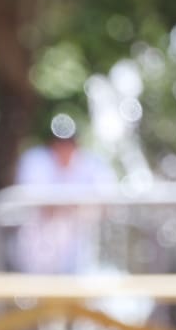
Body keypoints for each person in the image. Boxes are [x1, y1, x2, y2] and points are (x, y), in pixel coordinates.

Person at [9, 113, 116, 275]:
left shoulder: (91, 163)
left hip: (79, 249)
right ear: (51, 143)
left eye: (69, 142)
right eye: (60, 142)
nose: (64, 147)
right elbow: (37, 203)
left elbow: (108, 200)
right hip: (36, 248)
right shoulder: (35, 161)